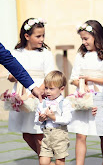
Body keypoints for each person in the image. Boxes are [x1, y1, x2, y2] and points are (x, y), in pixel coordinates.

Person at [7, 17, 55, 154]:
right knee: (26, 134)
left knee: (39, 133)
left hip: (40, 93)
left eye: (43, 36)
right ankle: (45, 159)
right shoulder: (17, 53)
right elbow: (11, 76)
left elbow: (50, 74)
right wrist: (12, 77)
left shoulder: (45, 54)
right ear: (27, 36)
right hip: (22, 95)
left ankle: (45, 161)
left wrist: (39, 90)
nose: (42, 39)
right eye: (38, 36)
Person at [68, 20, 103, 165]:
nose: (84, 42)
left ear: (96, 36)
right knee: (80, 134)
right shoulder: (81, 55)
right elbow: (73, 78)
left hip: (100, 98)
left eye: (86, 38)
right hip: (83, 97)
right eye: (82, 39)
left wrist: (88, 78)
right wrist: (82, 84)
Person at [35, 70, 72, 165]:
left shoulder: (65, 103)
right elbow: (36, 120)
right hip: (46, 136)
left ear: (62, 89)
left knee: (60, 161)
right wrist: (40, 119)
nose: (47, 91)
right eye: (46, 88)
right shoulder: (42, 103)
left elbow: (67, 119)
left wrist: (54, 117)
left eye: (51, 89)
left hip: (60, 136)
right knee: (43, 162)